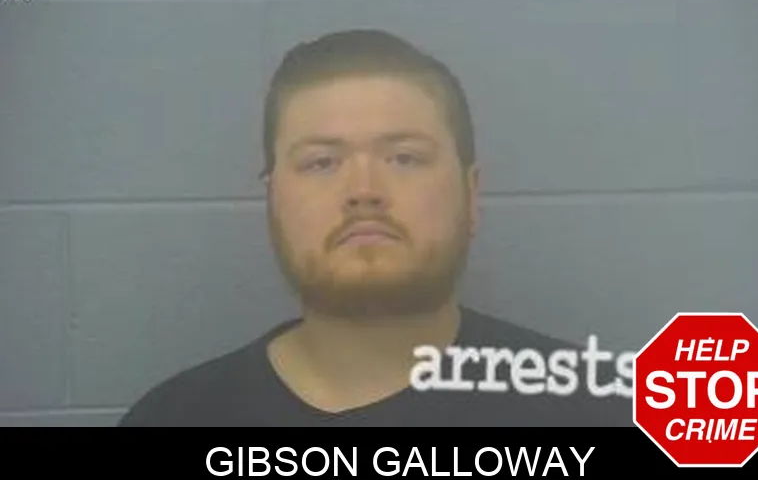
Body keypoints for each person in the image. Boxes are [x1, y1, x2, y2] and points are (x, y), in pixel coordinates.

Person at [119, 29, 632, 427]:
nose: (363, 190)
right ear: (272, 199)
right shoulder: (173, 419)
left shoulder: (602, 412)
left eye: (404, 158)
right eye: (321, 162)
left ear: (471, 194)